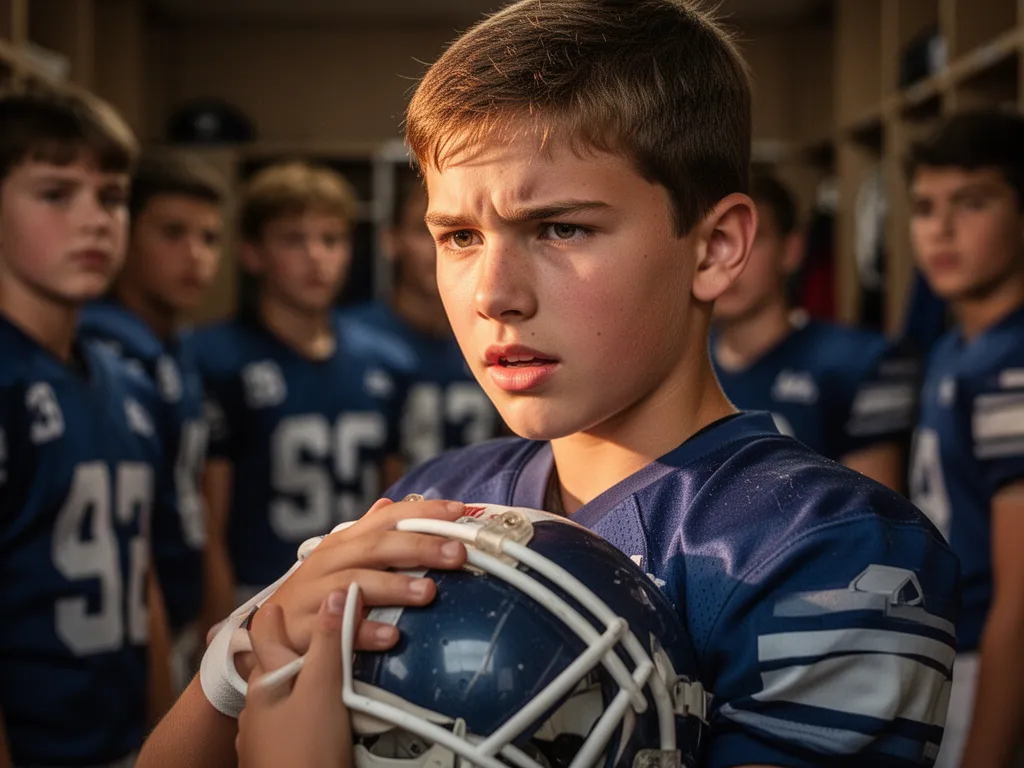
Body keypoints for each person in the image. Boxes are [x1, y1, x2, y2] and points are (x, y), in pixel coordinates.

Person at [140, 1, 959, 766]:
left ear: (713, 249)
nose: (495, 293)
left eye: (560, 227)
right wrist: (239, 658)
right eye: (459, 235)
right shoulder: (439, 498)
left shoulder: (827, 550)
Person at [0, 86, 173, 766]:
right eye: (55, 194)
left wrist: (167, 741)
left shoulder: (127, 378)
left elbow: (143, 577)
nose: (94, 220)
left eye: (111, 197)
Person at [188, 161, 410, 633]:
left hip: (357, 591)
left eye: (331, 239)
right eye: (293, 240)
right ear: (252, 253)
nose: (316, 257)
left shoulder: (384, 360)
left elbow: (391, 497)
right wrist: (221, 623)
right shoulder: (216, 358)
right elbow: (208, 523)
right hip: (258, 596)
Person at [79, 152, 227, 690]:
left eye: (209, 238)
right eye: (172, 233)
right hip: (118, 620)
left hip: (172, 607)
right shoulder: (105, 345)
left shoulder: (174, 345)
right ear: (126, 236)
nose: (195, 256)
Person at [907, 109, 1024, 768]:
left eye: (971, 203)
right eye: (925, 207)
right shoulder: (956, 345)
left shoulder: (1012, 363)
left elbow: (1023, 601)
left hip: (990, 658)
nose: (941, 230)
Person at [712, 173, 917, 491]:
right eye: (714, 241)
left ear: (791, 250)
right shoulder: (675, 367)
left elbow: (875, 525)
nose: (730, 260)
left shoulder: (857, 362)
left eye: (751, 241)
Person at [342, 165, 501, 467]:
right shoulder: (349, 341)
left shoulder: (499, 331)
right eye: (423, 231)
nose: (438, 250)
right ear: (391, 241)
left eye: (460, 234)